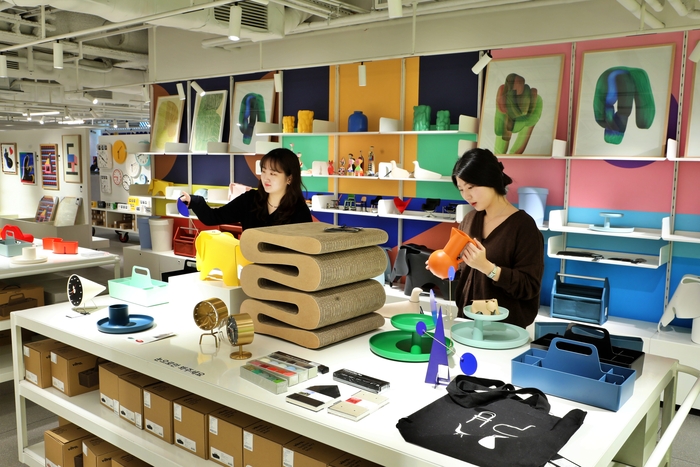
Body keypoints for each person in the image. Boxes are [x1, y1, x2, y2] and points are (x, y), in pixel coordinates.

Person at [450, 148, 544, 328]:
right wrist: (446, 266)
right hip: (467, 324)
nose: (466, 195)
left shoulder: (524, 227)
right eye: (461, 189)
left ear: (490, 180)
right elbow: (463, 272)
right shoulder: (469, 220)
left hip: (505, 330)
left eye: (471, 187)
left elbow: (529, 287)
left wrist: (488, 268)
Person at [179, 148, 312, 231]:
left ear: (289, 178)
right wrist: (194, 201)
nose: (266, 178)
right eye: (264, 171)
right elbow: (213, 217)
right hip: (251, 266)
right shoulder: (249, 200)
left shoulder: (299, 210)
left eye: (273, 174)